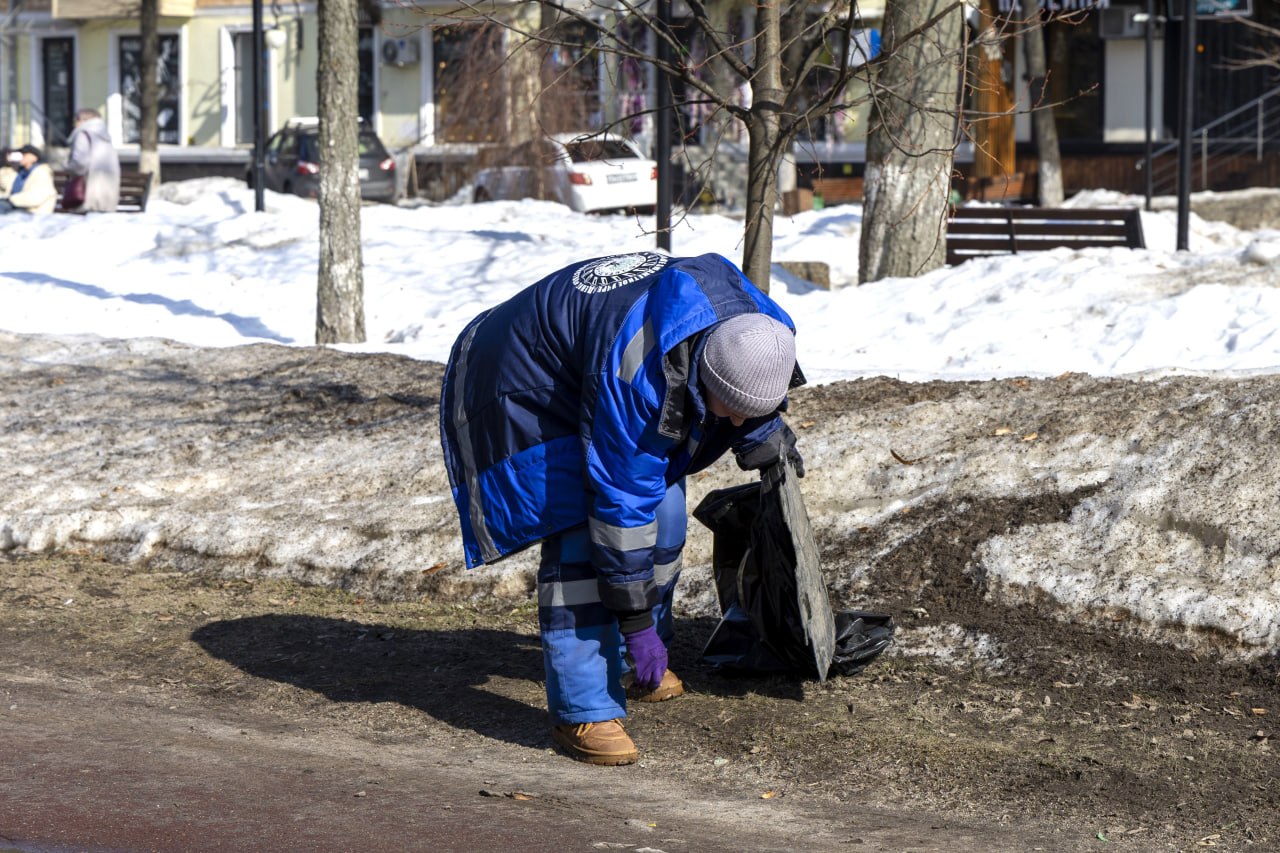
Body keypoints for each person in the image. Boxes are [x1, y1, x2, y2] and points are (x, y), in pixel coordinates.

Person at [439, 251, 804, 766]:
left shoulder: (764, 329)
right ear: (702, 373)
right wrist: (635, 623)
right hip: (520, 379)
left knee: (667, 519)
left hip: (592, 355)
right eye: (734, 409)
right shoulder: (637, 376)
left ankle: (639, 661)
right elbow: (620, 504)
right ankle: (583, 709)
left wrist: (763, 429)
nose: (739, 422)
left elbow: (744, 385)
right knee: (583, 537)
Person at [65, 108, 121, 213]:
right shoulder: (105, 136)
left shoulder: (83, 134)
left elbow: (79, 163)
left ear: (82, 120)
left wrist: (68, 168)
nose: (74, 124)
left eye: (75, 120)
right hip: (107, 193)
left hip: (88, 191)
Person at [0, 144, 57, 215]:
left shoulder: (41, 172)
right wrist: (6, 164)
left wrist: (10, 200)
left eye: (24, 154)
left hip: (34, 212)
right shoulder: (20, 172)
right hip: (17, 207)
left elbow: (35, 197)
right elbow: (5, 186)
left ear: (34, 157)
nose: (21, 156)